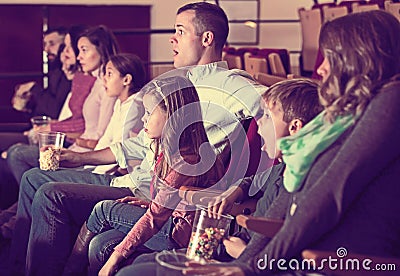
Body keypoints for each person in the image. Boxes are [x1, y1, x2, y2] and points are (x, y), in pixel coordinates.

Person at [10, 2, 265, 275]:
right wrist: (80, 157)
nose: (172, 38)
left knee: (50, 192)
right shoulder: (181, 81)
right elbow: (141, 142)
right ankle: (16, 262)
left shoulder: (232, 84)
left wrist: (239, 188)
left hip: (156, 190)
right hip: (140, 180)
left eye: (180, 31)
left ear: (207, 39)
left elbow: (286, 105)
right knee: (35, 176)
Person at [177, 9, 400, 275]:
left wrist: (251, 268)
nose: (321, 68)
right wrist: (244, 265)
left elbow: (329, 194)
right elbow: (293, 196)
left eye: (331, 57)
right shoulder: (346, 114)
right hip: (306, 255)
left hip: (337, 262)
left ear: (359, 57)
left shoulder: (391, 102)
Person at [116, 78, 324, 275]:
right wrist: (234, 193)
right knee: (137, 262)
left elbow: (293, 258)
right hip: (230, 246)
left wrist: (244, 255)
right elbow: (253, 181)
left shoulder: (306, 185)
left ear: (295, 128)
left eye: (268, 117)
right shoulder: (280, 169)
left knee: (128, 267)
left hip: (242, 261)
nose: (258, 125)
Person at [63, 76, 224, 275]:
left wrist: (115, 258)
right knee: (99, 244)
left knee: (104, 209)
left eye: (148, 113)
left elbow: (156, 218)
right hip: (171, 221)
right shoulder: (168, 150)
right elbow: (169, 205)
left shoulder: (187, 161)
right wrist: (148, 203)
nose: (143, 119)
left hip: (180, 234)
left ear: (173, 116)